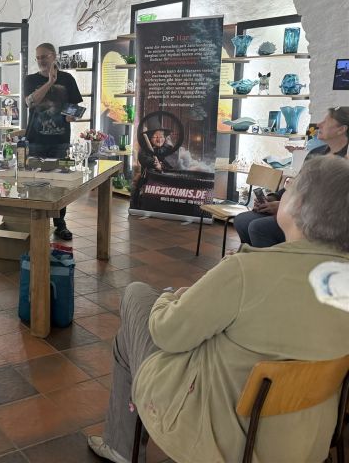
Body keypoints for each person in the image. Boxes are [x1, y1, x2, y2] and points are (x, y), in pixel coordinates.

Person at [87, 155, 349, 463]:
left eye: (290, 188)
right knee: (135, 335)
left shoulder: (247, 271)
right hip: (305, 441)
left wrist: (169, 299)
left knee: (136, 295)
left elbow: (167, 334)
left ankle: (121, 447)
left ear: (300, 206)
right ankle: (120, 442)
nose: (283, 193)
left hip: (223, 437)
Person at [234, 106, 349, 248]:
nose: (318, 124)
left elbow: (330, 202)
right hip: (294, 207)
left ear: (341, 129)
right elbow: (297, 184)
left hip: (316, 219)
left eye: (325, 122)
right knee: (242, 220)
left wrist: (287, 207)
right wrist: (273, 198)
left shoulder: (344, 164)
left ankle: (272, 266)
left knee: (258, 228)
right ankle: (250, 261)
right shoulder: (317, 152)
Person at [23, 42, 82, 240]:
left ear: (54, 56)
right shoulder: (30, 80)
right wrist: (49, 82)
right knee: (34, 182)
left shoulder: (68, 79)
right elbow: (29, 102)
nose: (41, 61)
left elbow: (74, 106)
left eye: (44, 57)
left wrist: (72, 115)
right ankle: (36, 222)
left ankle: (60, 223)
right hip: (35, 140)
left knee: (60, 183)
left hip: (60, 141)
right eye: (38, 57)